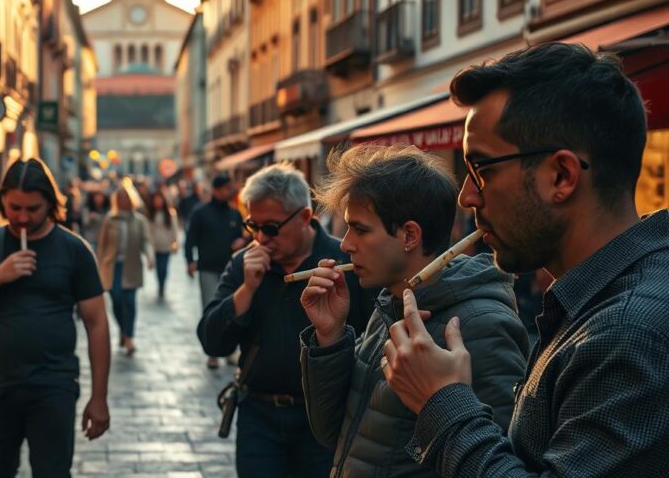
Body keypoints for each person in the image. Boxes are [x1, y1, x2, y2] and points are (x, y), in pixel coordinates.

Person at [381, 42, 669, 476]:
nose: (467, 196)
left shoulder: (625, 333)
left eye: (482, 169)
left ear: (561, 176)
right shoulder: (604, 300)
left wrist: (441, 399)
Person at [299, 144, 529, 476]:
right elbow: (334, 434)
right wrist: (330, 336)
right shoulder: (390, 306)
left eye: (360, 229)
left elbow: (495, 463)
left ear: (409, 235)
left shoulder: (480, 327)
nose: (346, 244)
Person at [196, 163, 374, 478]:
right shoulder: (245, 263)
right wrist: (247, 289)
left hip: (327, 419)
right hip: (259, 416)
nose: (261, 238)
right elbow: (212, 340)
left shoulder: (345, 261)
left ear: (305, 217)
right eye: (253, 226)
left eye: (272, 228)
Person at [0, 158, 111, 478]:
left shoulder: (73, 250)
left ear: (49, 203)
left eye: (32, 209)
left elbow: (97, 323)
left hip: (54, 386)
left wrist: (99, 397)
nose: (22, 217)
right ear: (2, 201)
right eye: (14, 207)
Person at [185, 173, 246, 368]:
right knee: (211, 309)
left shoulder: (234, 214)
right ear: (217, 190)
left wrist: (242, 241)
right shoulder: (200, 212)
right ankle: (212, 352)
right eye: (227, 188)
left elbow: (241, 237)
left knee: (234, 309)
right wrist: (189, 260)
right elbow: (191, 238)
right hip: (208, 268)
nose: (230, 192)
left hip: (231, 270)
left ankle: (229, 351)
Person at [96, 186, 154, 355]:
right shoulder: (110, 219)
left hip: (131, 266)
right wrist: (98, 265)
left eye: (126, 198)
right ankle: (123, 328)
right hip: (112, 266)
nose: (123, 202)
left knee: (129, 301)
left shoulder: (139, 220)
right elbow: (102, 244)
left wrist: (150, 257)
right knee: (116, 300)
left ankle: (129, 336)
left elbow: (147, 241)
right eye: (120, 198)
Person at [146, 187, 179, 299]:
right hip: (155, 246)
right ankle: (160, 283)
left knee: (163, 267)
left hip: (166, 246)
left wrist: (175, 243)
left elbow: (174, 230)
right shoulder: (150, 214)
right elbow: (148, 230)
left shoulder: (170, 214)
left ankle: (162, 285)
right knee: (158, 268)